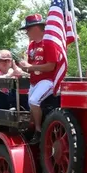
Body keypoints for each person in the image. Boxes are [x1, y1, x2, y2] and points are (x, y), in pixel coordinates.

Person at [17, 14, 59, 144]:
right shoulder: (31, 46)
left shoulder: (49, 43)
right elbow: (31, 67)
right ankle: (32, 128)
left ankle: (38, 131)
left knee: (34, 100)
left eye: (28, 29)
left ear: (36, 28)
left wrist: (30, 67)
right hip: (35, 80)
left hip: (49, 80)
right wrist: (23, 67)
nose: (26, 32)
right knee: (31, 103)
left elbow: (52, 66)